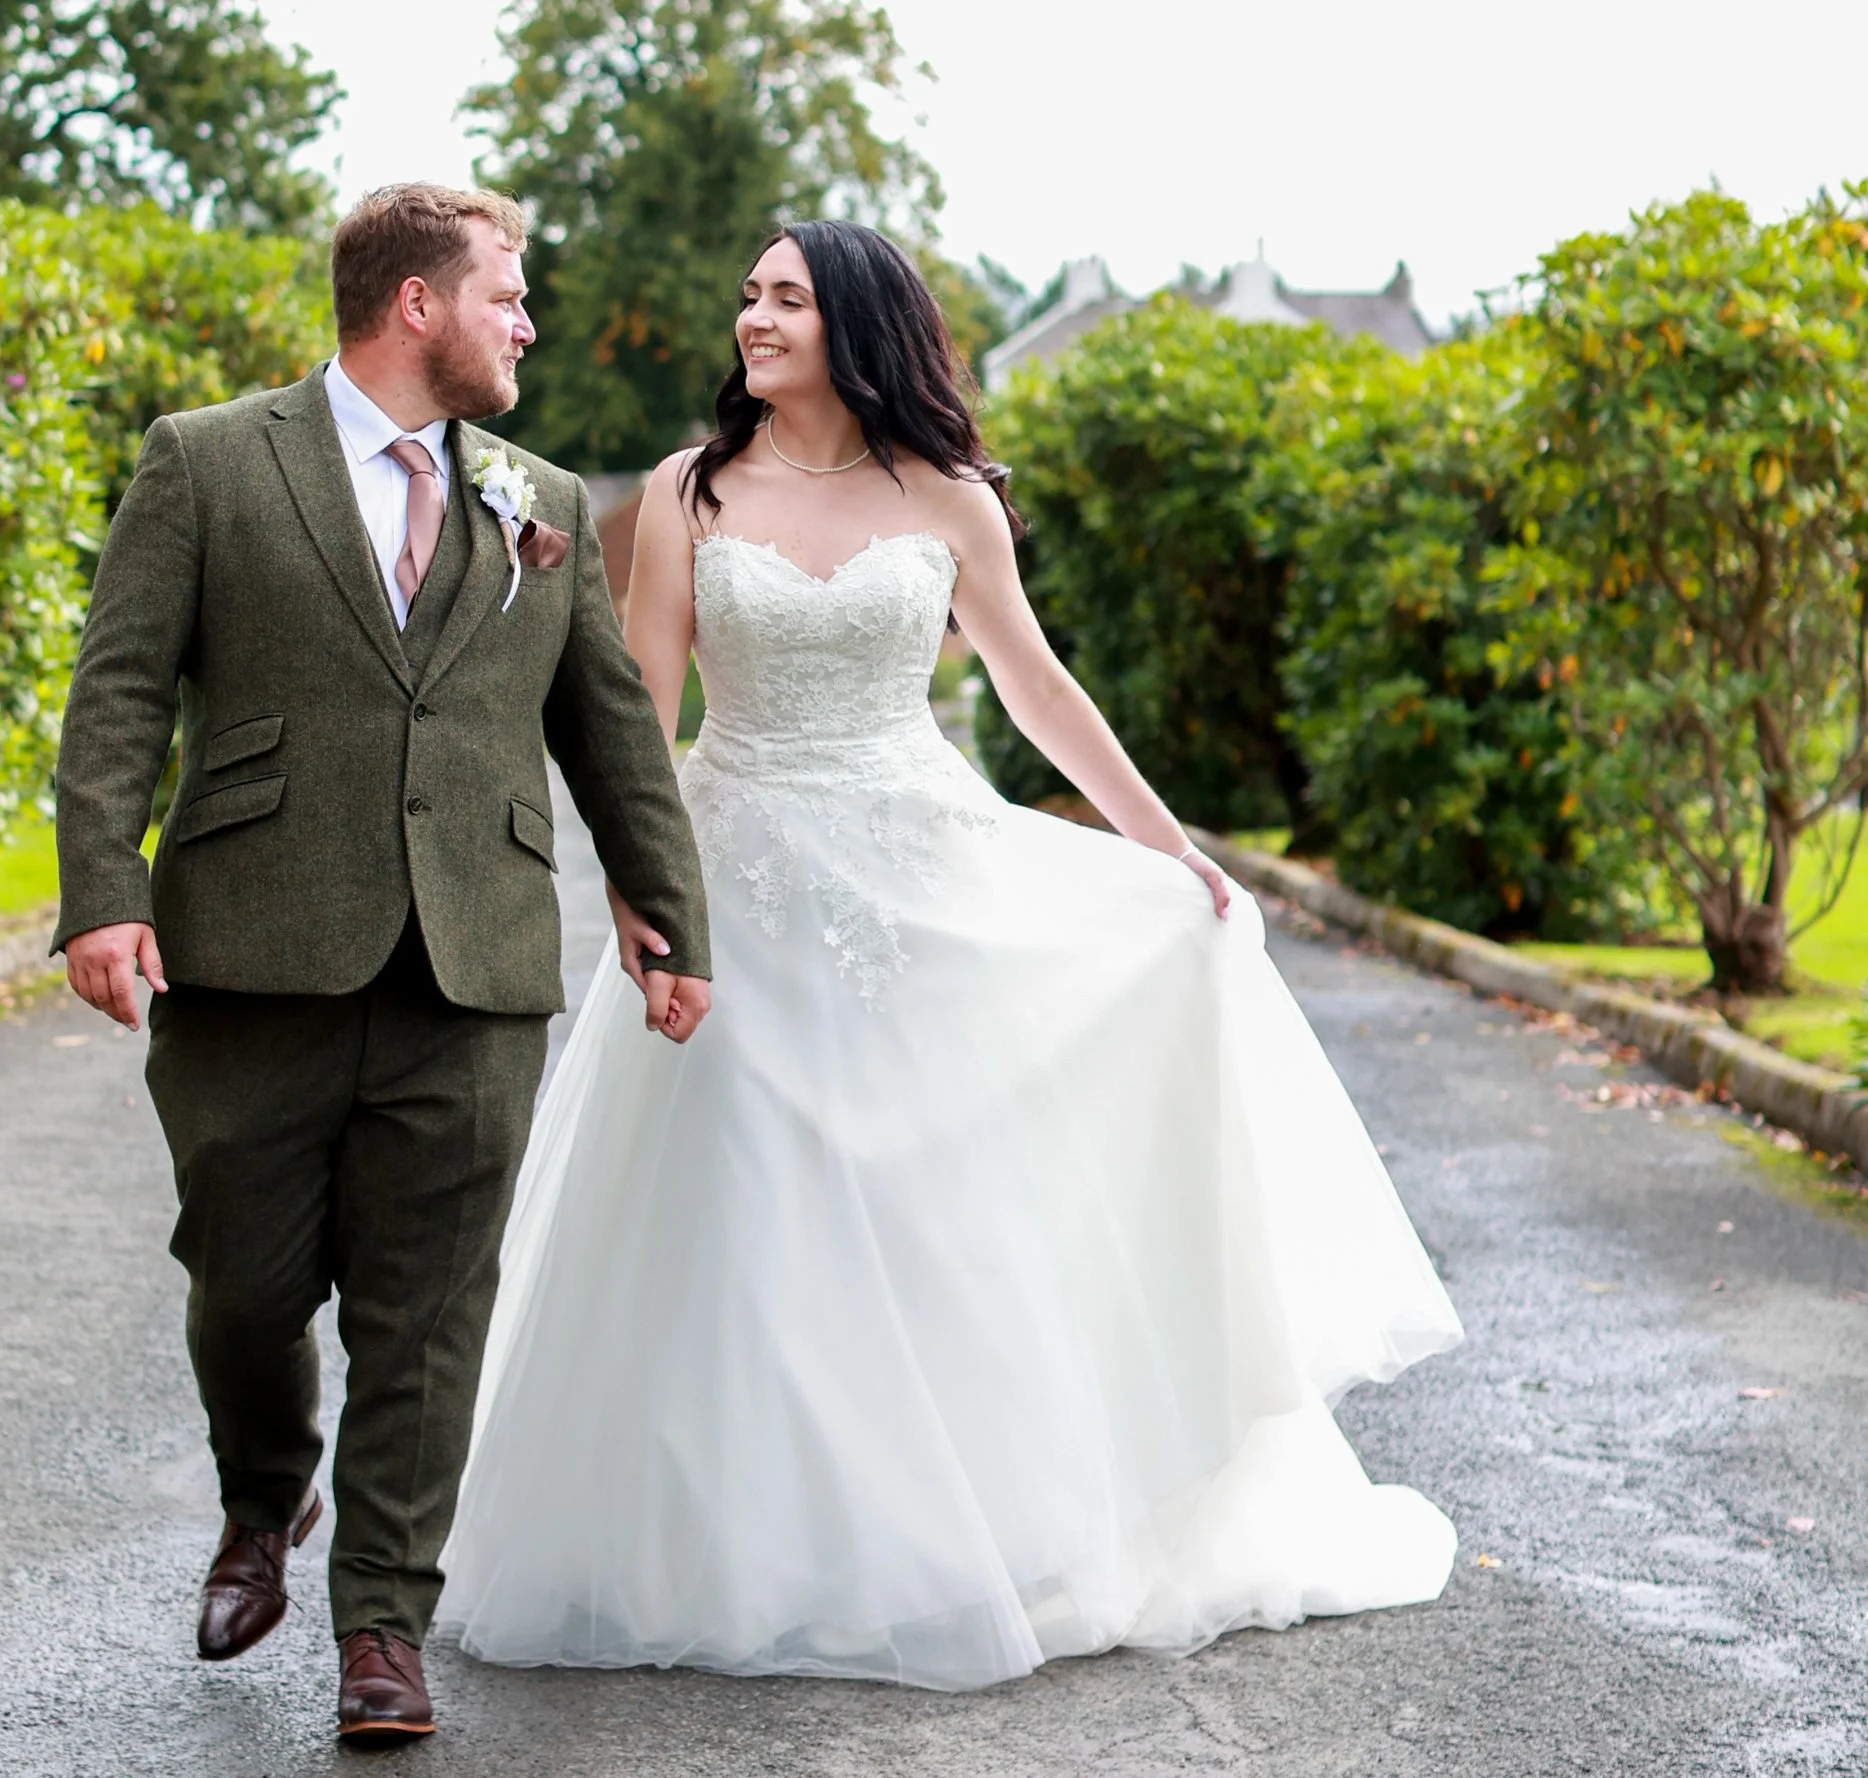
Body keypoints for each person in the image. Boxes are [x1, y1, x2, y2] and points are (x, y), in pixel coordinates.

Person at [434, 221, 1465, 1692]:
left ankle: (959, 1533)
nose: (753, 318)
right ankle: (736, 1543)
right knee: (734, 1217)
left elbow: (1035, 685)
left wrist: (1166, 846)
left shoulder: (951, 498)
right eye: (749, 294)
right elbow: (641, 708)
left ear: (855, 322)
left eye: (784, 297)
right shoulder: (689, 490)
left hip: (915, 876)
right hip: (735, 879)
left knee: (925, 1213)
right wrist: (641, 894)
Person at [49, 182, 712, 1740]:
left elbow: (613, 729)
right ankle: (262, 1491)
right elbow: (120, 689)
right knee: (243, 1288)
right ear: (416, 304)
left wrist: (665, 907)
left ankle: (381, 1633)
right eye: (509, 292)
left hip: (474, 964)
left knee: (430, 1311)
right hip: (253, 954)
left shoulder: (538, 496)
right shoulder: (209, 461)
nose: (529, 320)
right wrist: (99, 891)